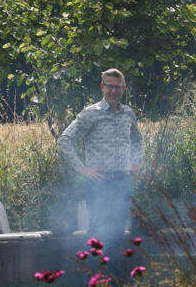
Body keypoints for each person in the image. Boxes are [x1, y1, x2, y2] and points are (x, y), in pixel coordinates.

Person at [59, 69, 144, 250]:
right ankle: (95, 277)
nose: (113, 91)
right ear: (102, 87)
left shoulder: (128, 113)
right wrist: (82, 169)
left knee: (119, 233)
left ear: (124, 89)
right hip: (99, 184)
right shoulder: (91, 114)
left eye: (117, 87)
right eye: (110, 86)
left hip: (123, 182)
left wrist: (135, 162)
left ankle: (115, 278)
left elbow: (137, 139)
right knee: (98, 233)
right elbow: (65, 140)